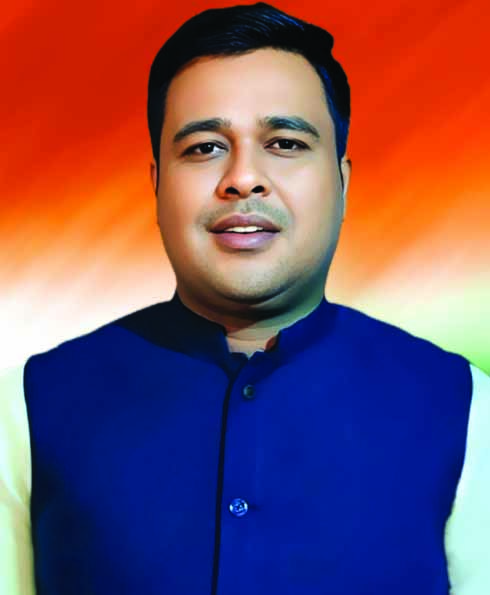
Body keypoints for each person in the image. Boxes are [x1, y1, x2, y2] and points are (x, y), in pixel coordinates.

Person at [0, 3, 488, 594]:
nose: (243, 178)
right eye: (205, 147)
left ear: (341, 182)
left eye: (284, 142)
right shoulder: (27, 410)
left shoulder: (465, 409)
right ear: (157, 185)